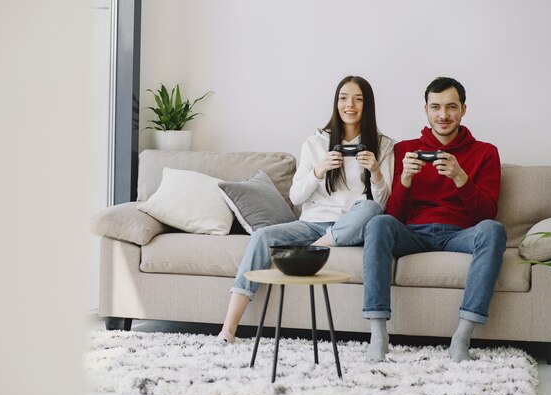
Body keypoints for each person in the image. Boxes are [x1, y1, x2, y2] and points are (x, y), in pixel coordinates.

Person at [215, 75, 395, 344]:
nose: (350, 105)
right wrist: (318, 170)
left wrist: (376, 172)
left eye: (359, 99)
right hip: (311, 224)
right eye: (343, 98)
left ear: (367, 106)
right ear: (336, 103)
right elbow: (296, 196)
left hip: (351, 226)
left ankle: (318, 246)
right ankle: (228, 331)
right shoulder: (315, 143)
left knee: (369, 208)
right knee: (262, 237)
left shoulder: (383, 145)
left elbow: (382, 204)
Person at [362, 77, 506, 363]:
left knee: (494, 230)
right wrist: (404, 180)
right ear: (425, 110)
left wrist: (461, 178)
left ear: (464, 109)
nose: (443, 115)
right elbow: (394, 217)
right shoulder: (404, 149)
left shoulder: (486, 152)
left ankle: (461, 337)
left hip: (459, 234)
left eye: (451, 107)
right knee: (377, 224)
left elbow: (486, 215)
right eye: (436, 107)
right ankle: (378, 335)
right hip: (413, 232)